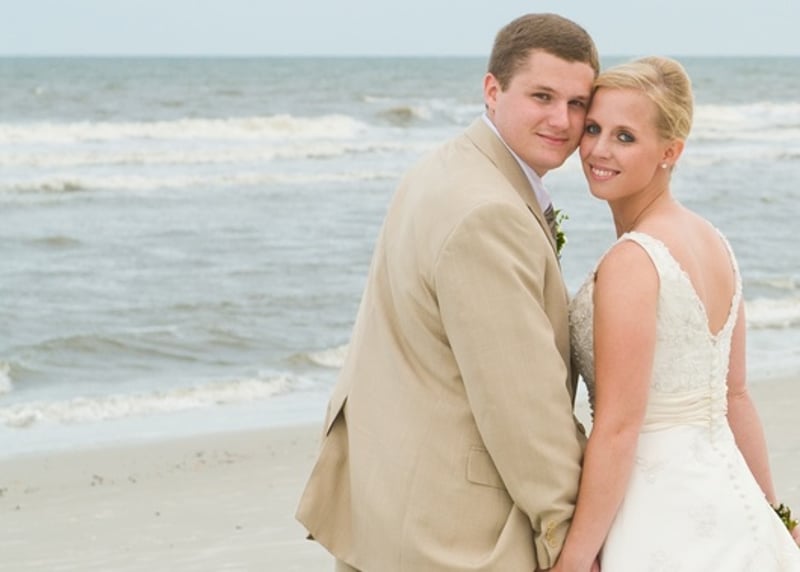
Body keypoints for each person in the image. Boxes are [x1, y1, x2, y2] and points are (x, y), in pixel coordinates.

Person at [295, 13, 598, 572]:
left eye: (578, 103)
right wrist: (567, 534)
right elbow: (521, 404)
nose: (562, 120)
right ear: (493, 90)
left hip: (385, 502)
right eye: (542, 96)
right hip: (455, 533)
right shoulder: (488, 213)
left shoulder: (441, 168)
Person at [554, 56, 800, 571]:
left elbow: (619, 426)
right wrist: (776, 517)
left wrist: (572, 562)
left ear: (671, 152)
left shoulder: (632, 260)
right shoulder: (714, 242)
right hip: (732, 507)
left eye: (625, 136)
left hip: (658, 514)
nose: (598, 149)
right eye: (594, 128)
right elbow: (735, 397)